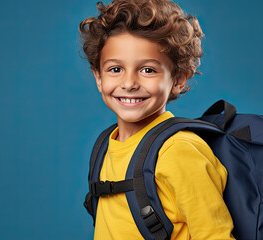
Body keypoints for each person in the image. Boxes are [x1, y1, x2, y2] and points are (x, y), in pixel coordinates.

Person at [79, 0, 235, 239]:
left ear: (179, 79)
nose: (129, 83)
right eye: (115, 69)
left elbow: (215, 235)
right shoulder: (106, 144)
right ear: (98, 77)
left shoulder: (179, 151)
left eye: (148, 70)